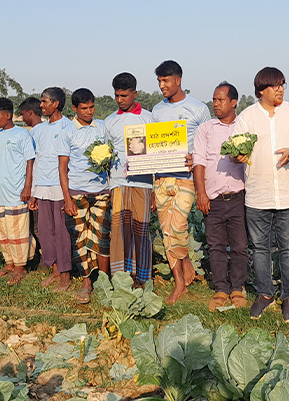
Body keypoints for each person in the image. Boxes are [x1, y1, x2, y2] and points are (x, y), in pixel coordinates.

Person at [234, 67, 289, 322]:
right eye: (275, 85)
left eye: (283, 84)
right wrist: (237, 156)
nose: (281, 89)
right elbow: (236, 151)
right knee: (260, 248)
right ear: (261, 90)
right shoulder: (246, 117)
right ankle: (264, 293)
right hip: (258, 194)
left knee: (288, 248)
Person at [151, 60, 212, 304]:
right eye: (159, 81)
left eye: (165, 81)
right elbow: (153, 145)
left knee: (177, 226)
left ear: (178, 80)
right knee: (168, 231)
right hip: (162, 177)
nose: (162, 85)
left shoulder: (198, 108)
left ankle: (180, 281)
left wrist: (195, 158)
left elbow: (208, 143)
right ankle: (183, 271)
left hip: (186, 177)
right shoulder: (157, 111)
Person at [192, 82, 247, 312]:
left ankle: (237, 288)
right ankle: (221, 289)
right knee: (215, 246)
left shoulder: (244, 127)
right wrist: (201, 192)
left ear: (234, 102)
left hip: (238, 197)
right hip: (213, 198)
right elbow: (199, 162)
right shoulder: (205, 129)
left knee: (240, 246)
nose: (215, 104)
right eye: (214, 99)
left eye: (220, 99)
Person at [104, 72, 155, 285]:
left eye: (124, 95)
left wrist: (155, 187)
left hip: (142, 182)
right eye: (117, 95)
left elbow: (157, 152)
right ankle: (120, 276)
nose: (120, 100)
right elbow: (105, 153)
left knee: (141, 229)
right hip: (118, 182)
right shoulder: (109, 121)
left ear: (135, 93)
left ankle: (142, 277)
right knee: (119, 230)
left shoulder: (149, 118)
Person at [64, 88, 111, 304]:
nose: (89, 111)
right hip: (76, 192)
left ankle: (103, 280)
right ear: (74, 109)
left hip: (101, 191)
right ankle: (86, 282)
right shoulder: (67, 131)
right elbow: (62, 167)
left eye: (92, 107)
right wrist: (66, 198)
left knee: (102, 237)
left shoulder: (102, 127)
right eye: (84, 108)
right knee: (79, 238)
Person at [28, 87, 74, 291]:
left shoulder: (69, 128)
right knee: (46, 232)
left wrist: (68, 194)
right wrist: (33, 192)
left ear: (56, 104)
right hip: (42, 188)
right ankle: (55, 270)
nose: (41, 105)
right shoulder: (38, 130)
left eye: (45, 101)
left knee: (62, 231)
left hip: (60, 187)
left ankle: (66, 274)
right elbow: (35, 162)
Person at [0, 98, 35, 284]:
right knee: (4, 231)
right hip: (1, 192)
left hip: (17, 192)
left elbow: (29, 162)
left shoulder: (22, 135)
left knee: (18, 231)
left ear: (8, 115)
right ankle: (9, 263)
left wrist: (27, 187)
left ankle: (20, 266)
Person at [18, 97, 44, 255]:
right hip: (36, 185)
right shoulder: (42, 130)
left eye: (22, 115)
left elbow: (33, 162)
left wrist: (30, 188)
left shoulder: (33, 134)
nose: (22, 119)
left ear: (30, 113)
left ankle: (43, 256)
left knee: (36, 225)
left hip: (35, 185)